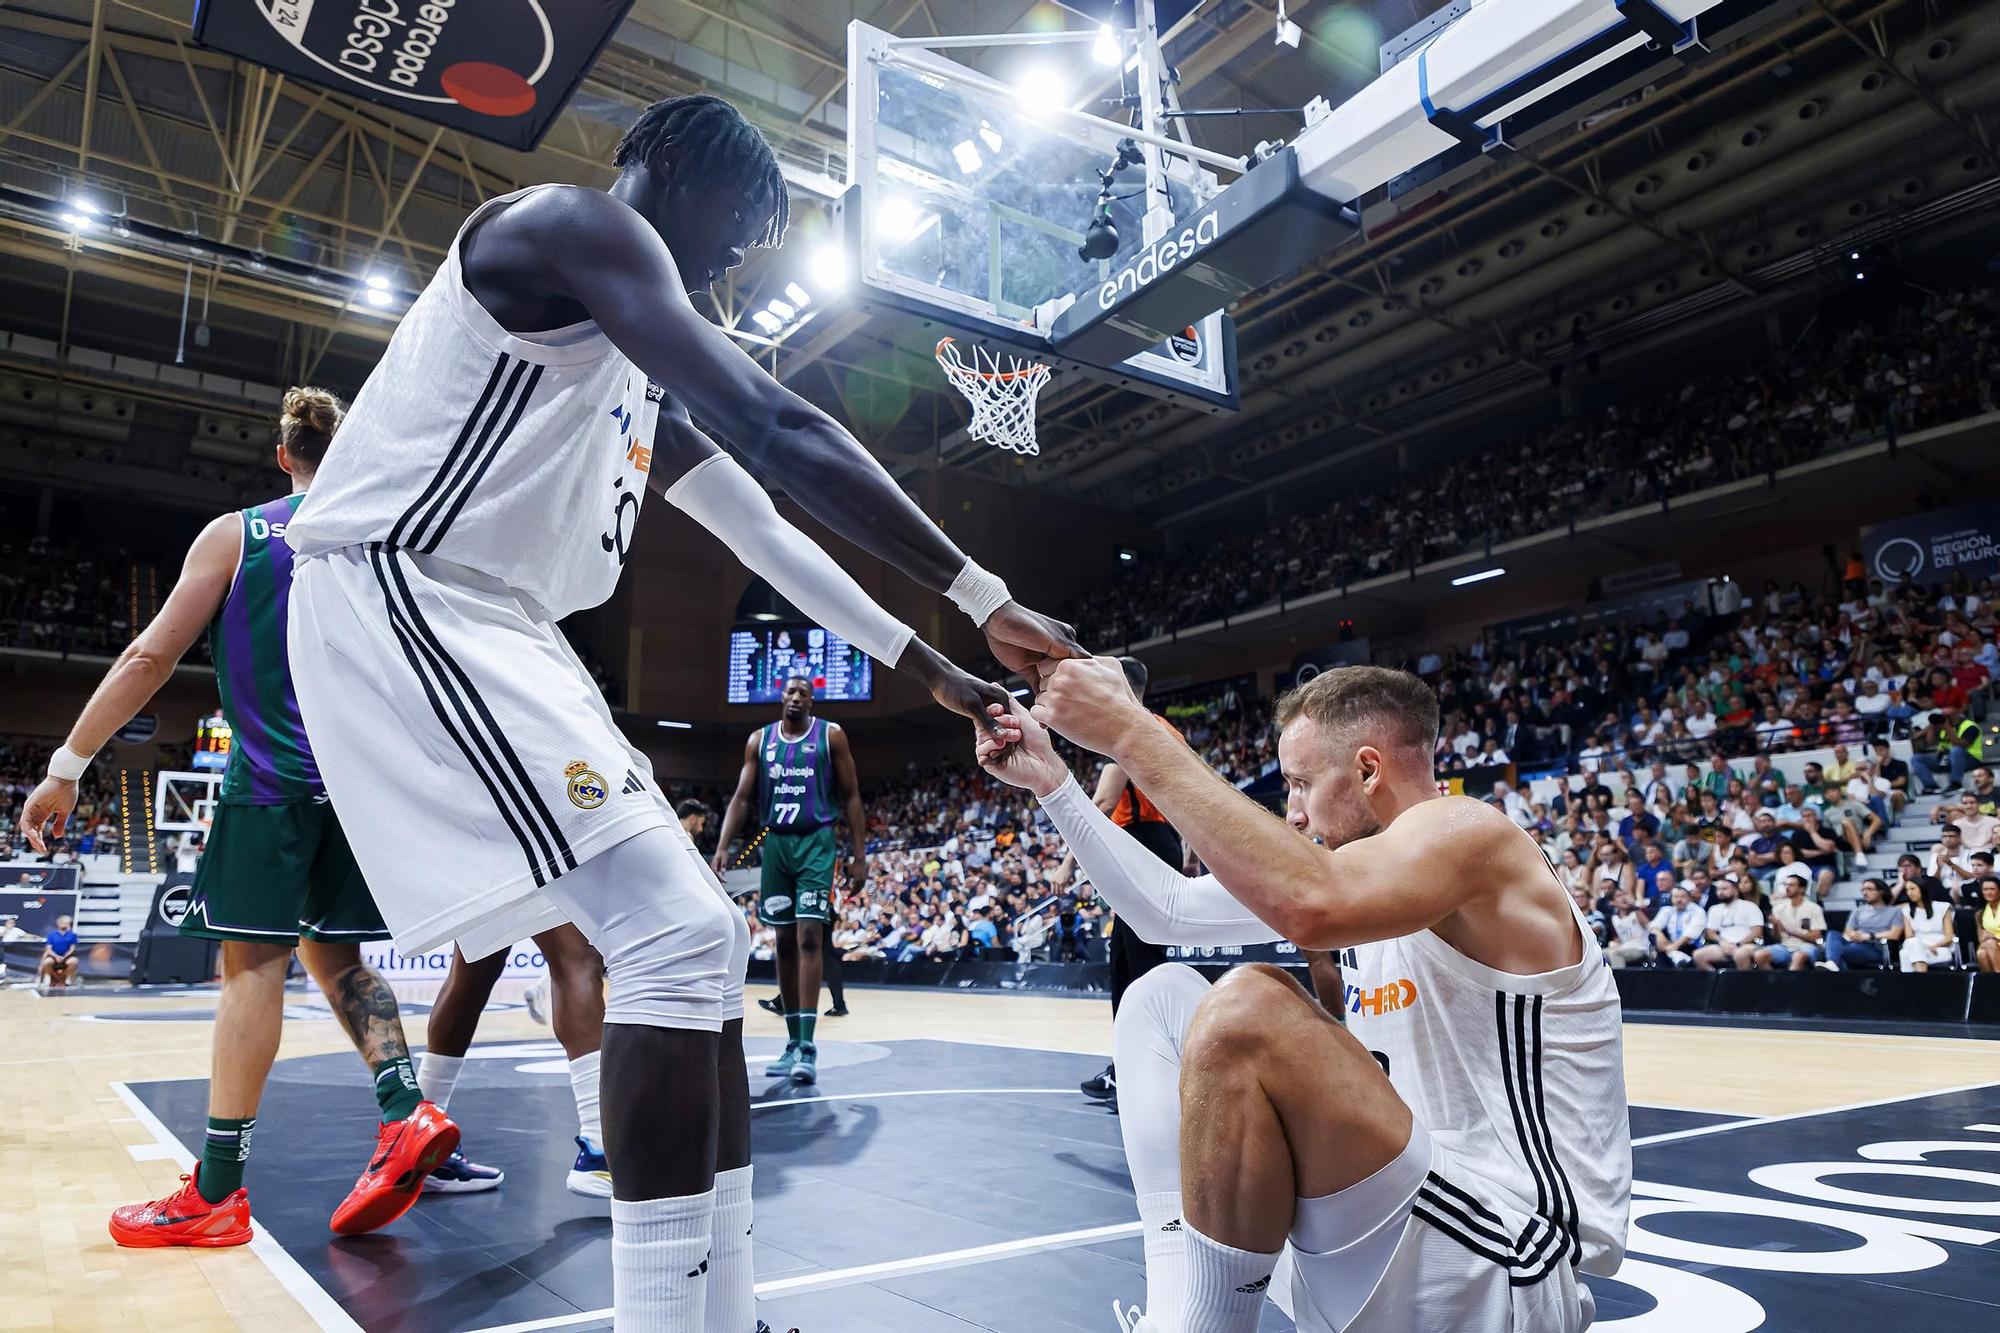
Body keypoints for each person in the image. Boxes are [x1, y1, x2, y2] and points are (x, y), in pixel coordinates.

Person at [278, 92, 1082, 1329]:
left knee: (700, 937)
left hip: (496, 621)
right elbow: (779, 424)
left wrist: (937, 670)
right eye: (739, 221)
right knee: (662, 931)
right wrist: (980, 591)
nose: (737, 255)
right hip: (404, 585)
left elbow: (761, 528)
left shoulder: (627, 368)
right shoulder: (572, 227)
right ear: (671, 173)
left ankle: (727, 1305)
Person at [979, 662, 1628, 1333]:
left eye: (1300, 782)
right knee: (1160, 1000)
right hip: (1406, 1231)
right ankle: (1179, 1312)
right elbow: (1162, 910)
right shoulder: (1355, 880)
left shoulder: (1470, 833)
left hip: (1507, 1259)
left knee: (1248, 1009)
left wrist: (1128, 727)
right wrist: (1053, 782)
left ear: (1369, 769)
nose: (1293, 809)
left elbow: (1309, 902)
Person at [16, 389, 458, 1249]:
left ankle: (216, 1191)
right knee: (338, 957)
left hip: (269, 787)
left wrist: (67, 765)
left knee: (250, 964)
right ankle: (405, 1108)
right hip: (363, 791)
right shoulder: (389, 541)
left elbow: (151, 655)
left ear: (283, 455)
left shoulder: (242, 534)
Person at [712, 674, 866, 1087]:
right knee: (782, 940)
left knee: (810, 937)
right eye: (790, 693)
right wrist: (724, 846)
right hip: (776, 845)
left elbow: (851, 796)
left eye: (803, 694)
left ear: (812, 701)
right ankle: (792, 1042)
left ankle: (809, 1046)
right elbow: (742, 797)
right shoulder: (759, 741)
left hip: (817, 844)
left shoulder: (831, 737)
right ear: (781, 698)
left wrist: (859, 856)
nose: (795, 698)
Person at [1075, 655, 1184, 1108]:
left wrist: (1067, 863)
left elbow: (1102, 802)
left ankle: (1145, 1073)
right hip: (1165, 847)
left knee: (1135, 969)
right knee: (1132, 962)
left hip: (1140, 847)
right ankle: (1128, 1067)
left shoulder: (1125, 728)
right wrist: (1190, 856)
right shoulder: (1173, 732)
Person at [1754, 867, 1826, 971]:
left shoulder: (1814, 908)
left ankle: (1791, 986)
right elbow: (1776, 939)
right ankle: (1772, 985)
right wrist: (1776, 926)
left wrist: (1789, 931)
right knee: (1760, 955)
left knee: (1798, 956)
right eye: (1785, 884)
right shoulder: (1778, 908)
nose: (1787, 888)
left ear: (1802, 889)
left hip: (1806, 946)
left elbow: (1816, 937)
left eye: (1791, 885)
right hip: (1784, 946)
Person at [1692, 876, 1763, 971]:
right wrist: (1722, 942)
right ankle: (1718, 982)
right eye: (1718, 889)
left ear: (1736, 890)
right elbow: (1710, 933)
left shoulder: (1750, 906)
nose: (1720, 892)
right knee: (1698, 955)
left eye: (1725, 889)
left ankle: (1745, 984)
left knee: (1740, 954)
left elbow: (1757, 932)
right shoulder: (1714, 909)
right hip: (1724, 946)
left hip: (1747, 945)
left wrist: (1738, 944)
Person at [1826, 878, 1899, 971]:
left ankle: (1833, 965)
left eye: (1869, 889)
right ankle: (1833, 964)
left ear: (1881, 892)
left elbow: (1895, 934)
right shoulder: (1859, 910)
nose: (1865, 893)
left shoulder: (1894, 911)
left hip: (1875, 946)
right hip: (1855, 942)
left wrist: (1869, 936)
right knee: (1832, 934)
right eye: (1863, 890)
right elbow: (1848, 930)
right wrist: (1853, 934)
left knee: (1837, 952)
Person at [1894, 877, 1956, 972]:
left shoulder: (1943, 907)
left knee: (1905, 954)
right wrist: (1924, 947)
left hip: (1939, 948)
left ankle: (1917, 984)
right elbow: (1909, 937)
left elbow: (1949, 937)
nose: (1909, 893)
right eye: (1907, 890)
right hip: (1918, 946)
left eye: (1912, 889)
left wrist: (1934, 946)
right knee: (1910, 947)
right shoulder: (1906, 910)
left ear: (1922, 889)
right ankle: (1923, 982)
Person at [1649, 885, 1706, 968]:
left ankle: (1678, 958)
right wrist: (1659, 935)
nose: (1679, 900)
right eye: (1676, 897)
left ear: (1689, 899)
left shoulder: (1697, 911)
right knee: (1654, 936)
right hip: (1669, 947)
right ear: (1671, 899)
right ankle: (1676, 957)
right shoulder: (1667, 910)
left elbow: (1693, 933)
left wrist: (1675, 946)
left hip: (1690, 947)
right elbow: (1653, 926)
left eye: (1683, 897)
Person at [37, 913, 78, 990]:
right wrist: (56, 956)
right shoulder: (52, 935)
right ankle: (48, 978)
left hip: (66, 957)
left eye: (66, 923)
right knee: (47, 962)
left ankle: (67, 979)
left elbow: (72, 949)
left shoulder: (72, 935)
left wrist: (64, 957)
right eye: (62, 922)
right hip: (53, 957)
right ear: (58, 924)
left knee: (73, 961)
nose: (64, 924)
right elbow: (48, 949)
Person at [1973, 876, 2000, 973]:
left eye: (1992, 889)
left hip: (1995, 944)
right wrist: (1989, 939)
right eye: (1985, 889)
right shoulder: (1980, 913)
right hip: (1989, 946)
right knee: (1981, 953)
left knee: (1986, 948)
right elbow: (1981, 939)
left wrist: (1995, 938)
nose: (1988, 892)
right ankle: (1992, 983)